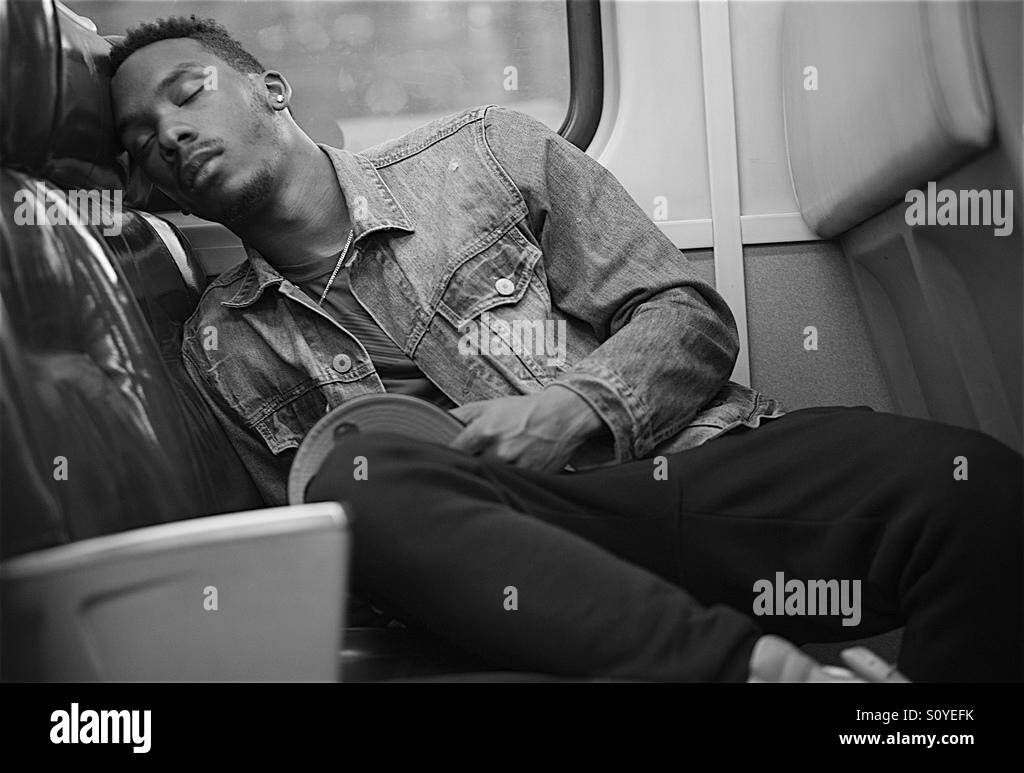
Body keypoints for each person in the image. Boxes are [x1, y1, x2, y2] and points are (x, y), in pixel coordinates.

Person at [109, 17, 1022, 682]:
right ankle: (757, 674)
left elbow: (687, 317)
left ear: (271, 87)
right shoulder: (219, 347)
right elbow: (308, 554)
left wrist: (576, 410)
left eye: (186, 94)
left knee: (977, 492)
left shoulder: (487, 155)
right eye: (142, 143)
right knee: (359, 483)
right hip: (508, 562)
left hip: (686, 469)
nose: (172, 136)